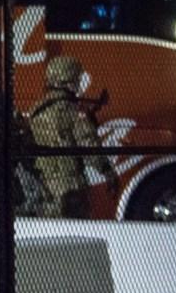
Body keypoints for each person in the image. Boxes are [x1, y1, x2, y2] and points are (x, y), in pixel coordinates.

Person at [29, 56, 117, 219]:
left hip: (44, 182)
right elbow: (88, 145)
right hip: (70, 183)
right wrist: (107, 170)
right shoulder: (72, 110)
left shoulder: (37, 109)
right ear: (70, 80)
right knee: (74, 232)